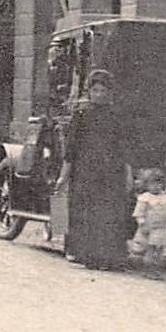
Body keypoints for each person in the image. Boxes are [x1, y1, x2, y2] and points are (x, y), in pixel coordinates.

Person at [62, 69, 130, 271]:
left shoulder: (117, 116)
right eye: (95, 90)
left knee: (109, 213)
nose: (99, 94)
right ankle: (87, 255)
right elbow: (71, 148)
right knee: (86, 212)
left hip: (111, 172)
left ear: (110, 92)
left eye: (103, 90)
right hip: (86, 172)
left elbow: (123, 148)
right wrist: (63, 176)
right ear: (89, 91)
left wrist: (128, 174)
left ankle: (108, 257)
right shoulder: (81, 115)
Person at [128, 169, 166, 269]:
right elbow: (139, 213)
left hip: (161, 228)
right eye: (152, 184)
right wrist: (142, 224)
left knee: (160, 248)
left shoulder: (165, 198)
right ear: (147, 185)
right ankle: (148, 267)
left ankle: (156, 267)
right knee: (149, 248)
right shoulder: (144, 198)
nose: (155, 187)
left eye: (159, 184)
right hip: (148, 227)